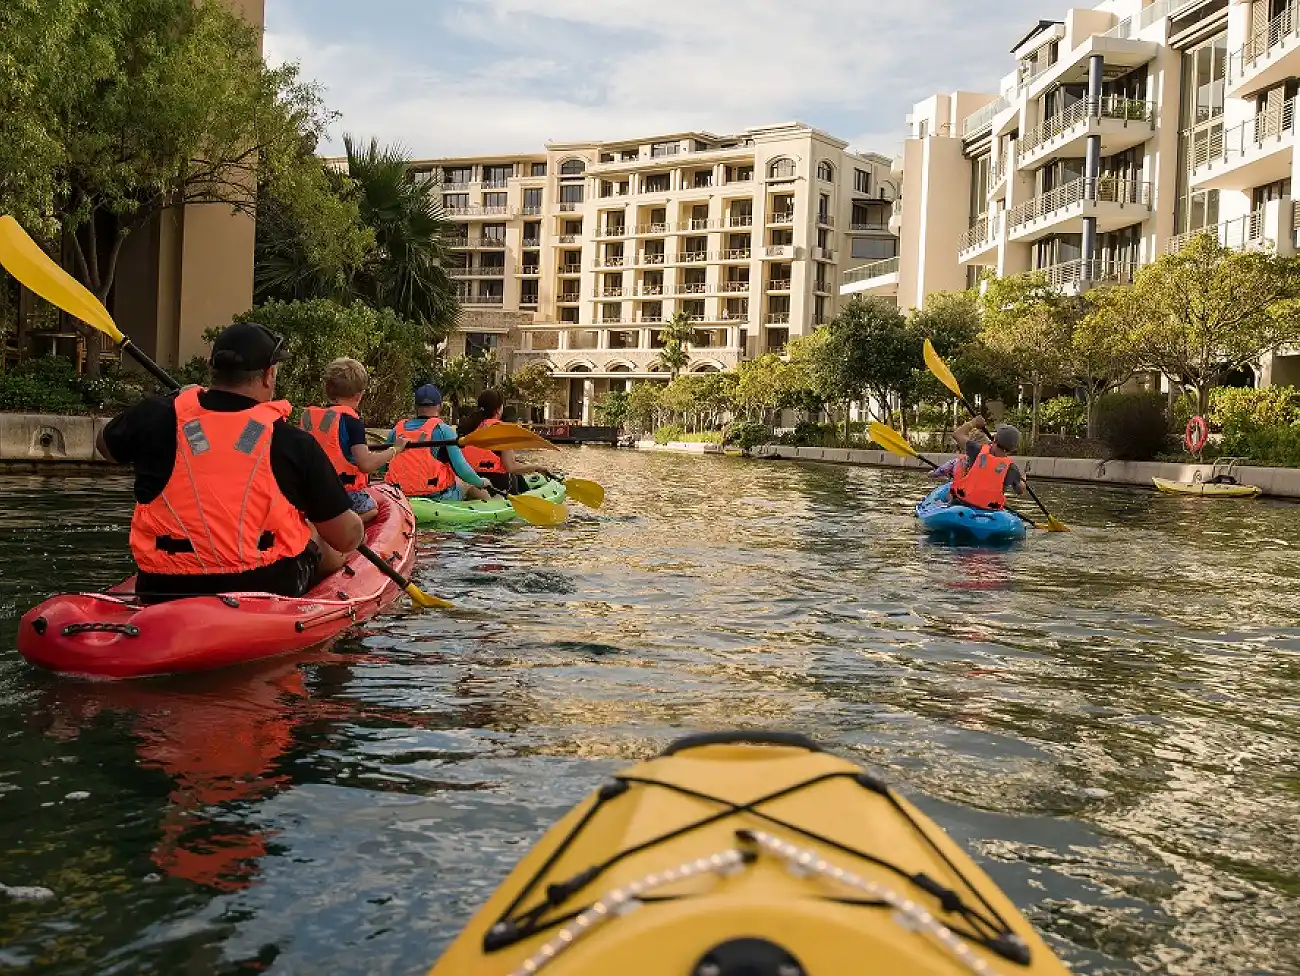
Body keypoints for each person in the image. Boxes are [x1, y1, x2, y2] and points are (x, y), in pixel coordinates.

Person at [96, 322, 365, 601]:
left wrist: (173, 399)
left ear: (212, 369)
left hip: (163, 587)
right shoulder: (291, 441)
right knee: (319, 538)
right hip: (265, 585)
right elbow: (346, 536)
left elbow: (106, 447)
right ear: (268, 376)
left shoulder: (156, 415)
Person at [299, 358, 406, 524]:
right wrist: (395, 450)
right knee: (371, 508)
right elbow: (366, 464)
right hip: (341, 495)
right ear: (359, 395)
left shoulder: (311, 419)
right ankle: (338, 528)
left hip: (309, 494)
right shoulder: (351, 422)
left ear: (327, 390)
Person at [384, 384, 492, 501]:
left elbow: (383, 467)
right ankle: (493, 508)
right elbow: (461, 469)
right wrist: (481, 482)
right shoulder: (444, 430)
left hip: (399, 494)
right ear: (440, 406)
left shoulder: (396, 431)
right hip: (437, 496)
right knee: (467, 482)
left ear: (415, 406)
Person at [456, 389, 551, 492]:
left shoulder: (467, 428)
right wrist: (537, 467)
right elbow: (511, 467)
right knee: (516, 476)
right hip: (498, 484)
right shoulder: (502, 430)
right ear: (498, 409)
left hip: (472, 481)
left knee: (518, 475)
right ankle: (527, 494)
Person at [949, 416, 1027, 510]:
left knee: (949, 494)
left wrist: (973, 423)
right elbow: (1020, 490)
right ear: (1012, 449)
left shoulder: (977, 450)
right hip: (989, 509)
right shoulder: (1011, 468)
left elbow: (957, 434)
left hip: (963, 503)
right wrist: (1023, 479)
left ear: (994, 440)